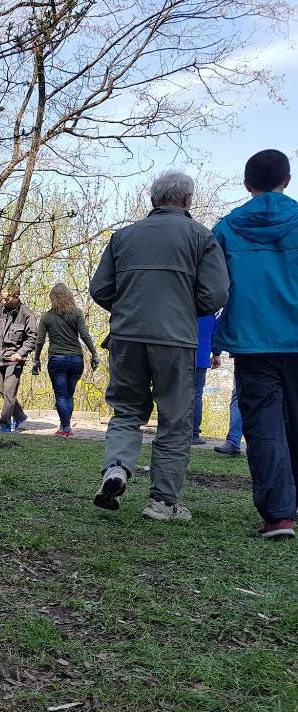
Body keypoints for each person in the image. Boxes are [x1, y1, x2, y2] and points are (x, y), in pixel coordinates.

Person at [89, 171, 229, 522]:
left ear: (154, 199)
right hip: (175, 339)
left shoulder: (123, 237)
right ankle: (163, 502)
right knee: (175, 421)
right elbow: (215, 295)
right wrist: (182, 308)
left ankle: (116, 469)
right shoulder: (201, 237)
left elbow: (100, 289)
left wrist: (129, 309)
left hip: (125, 337)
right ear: (186, 201)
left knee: (126, 412)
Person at [212, 149, 298, 540]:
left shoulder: (227, 229)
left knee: (263, 430)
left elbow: (211, 288)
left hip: (253, 344)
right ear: (288, 179)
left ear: (247, 184)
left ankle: (279, 516)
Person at [31, 283, 99, 437]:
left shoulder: (47, 317)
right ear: (69, 296)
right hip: (76, 359)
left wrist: (36, 360)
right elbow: (85, 335)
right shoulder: (77, 313)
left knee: (61, 396)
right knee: (69, 395)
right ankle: (64, 425)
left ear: (53, 299)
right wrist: (94, 354)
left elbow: (40, 340)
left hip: (57, 360)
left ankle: (66, 429)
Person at [0, 285, 37, 432]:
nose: (4, 301)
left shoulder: (26, 315)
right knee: (2, 391)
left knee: (9, 392)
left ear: (16, 296)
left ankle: (5, 425)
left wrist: (20, 353)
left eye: (7, 299)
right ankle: (20, 415)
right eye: (2, 298)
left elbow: (32, 338)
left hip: (14, 361)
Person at [191, 314, 221, 445]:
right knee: (196, 394)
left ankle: (170, 429)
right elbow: (216, 334)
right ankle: (193, 433)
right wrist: (216, 354)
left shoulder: (182, 304)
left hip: (179, 356)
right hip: (201, 358)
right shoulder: (209, 312)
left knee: (175, 393)